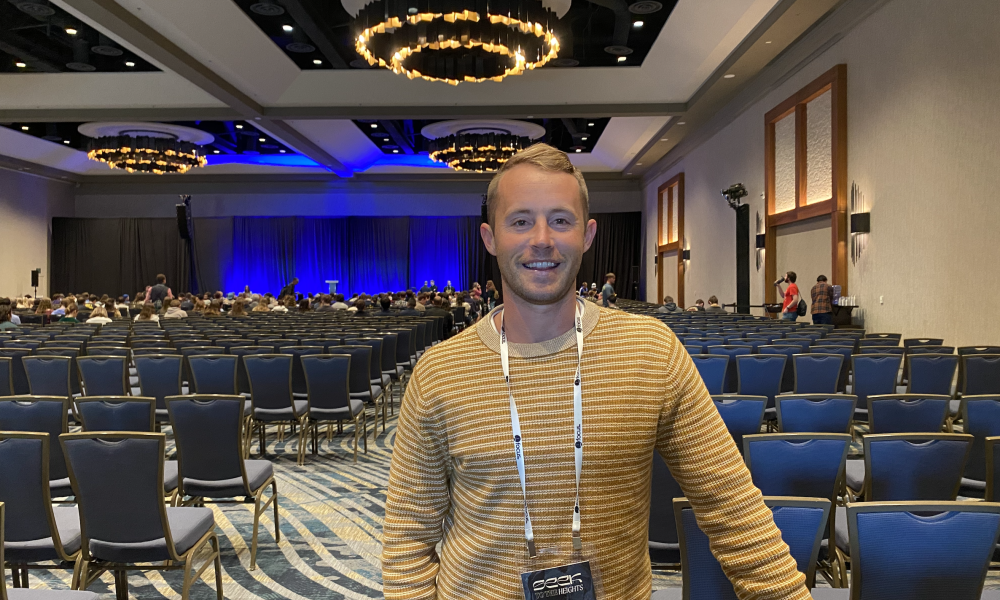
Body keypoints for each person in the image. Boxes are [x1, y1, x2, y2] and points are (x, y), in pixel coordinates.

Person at [382, 143, 808, 600]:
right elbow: (408, 539)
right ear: (490, 238)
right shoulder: (439, 372)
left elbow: (733, 509)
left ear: (587, 235)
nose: (541, 238)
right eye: (521, 220)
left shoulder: (652, 352)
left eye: (560, 220)